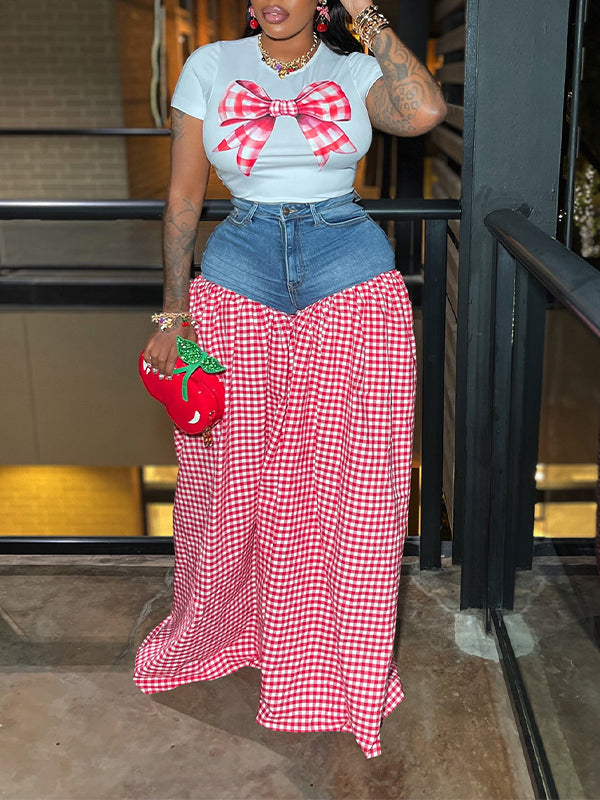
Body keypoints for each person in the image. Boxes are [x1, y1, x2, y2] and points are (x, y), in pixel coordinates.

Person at [134, 0, 446, 759]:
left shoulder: (355, 68)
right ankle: (233, 630)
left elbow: (424, 112)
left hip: (350, 277)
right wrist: (173, 312)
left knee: (353, 485)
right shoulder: (211, 64)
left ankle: (337, 663)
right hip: (236, 276)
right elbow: (184, 197)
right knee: (232, 480)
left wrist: (366, 14)